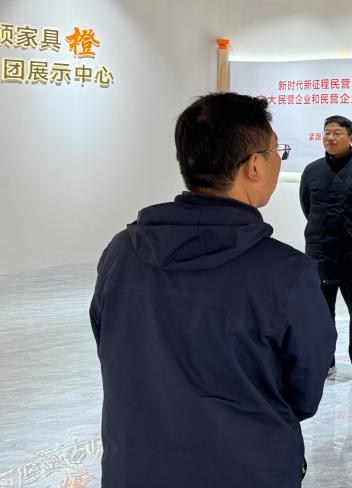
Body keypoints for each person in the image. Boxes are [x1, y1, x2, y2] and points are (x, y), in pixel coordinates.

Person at [89, 93, 337, 488]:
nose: (278, 162)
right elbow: (304, 392)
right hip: (247, 469)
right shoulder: (286, 272)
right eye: (277, 152)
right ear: (254, 165)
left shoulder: (121, 252)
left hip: (134, 467)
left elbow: (111, 345)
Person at [301, 115, 352, 382]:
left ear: (351, 138)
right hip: (320, 252)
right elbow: (307, 206)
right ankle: (326, 361)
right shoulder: (312, 170)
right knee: (322, 313)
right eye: (327, 132)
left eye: (337, 133)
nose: (330, 137)